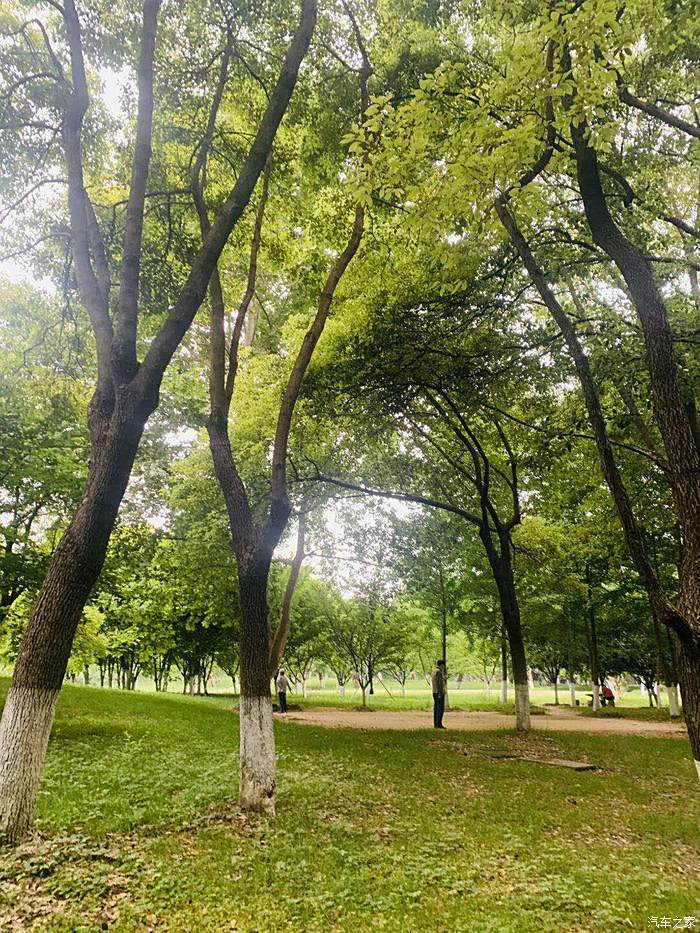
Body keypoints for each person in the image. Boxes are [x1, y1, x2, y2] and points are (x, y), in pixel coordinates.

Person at [431, 659, 447, 729]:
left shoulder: (434, 671)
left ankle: (436, 724)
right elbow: (439, 684)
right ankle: (439, 724)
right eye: (444, 666)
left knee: (436, 709)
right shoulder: (439, 672)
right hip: (439, 693)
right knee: (440, 709)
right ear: (442, 665)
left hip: (434, 692)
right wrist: (441, 692)